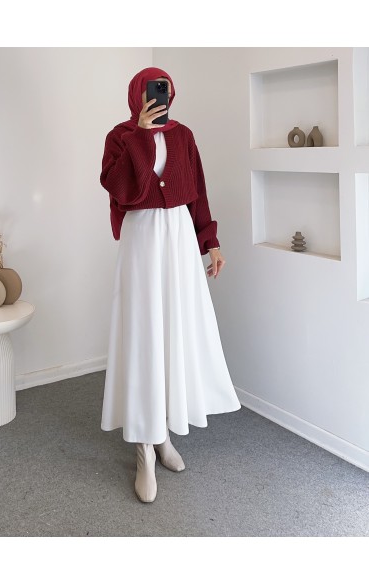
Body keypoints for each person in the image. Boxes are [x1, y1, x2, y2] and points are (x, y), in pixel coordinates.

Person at [100, 67, 241, 503]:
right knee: (144, 336)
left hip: (179, 239)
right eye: (150, 90)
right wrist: (142, 136)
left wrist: (210, 242)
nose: (158, 96)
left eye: (163, 90)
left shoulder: (184, 136)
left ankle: (162, 434)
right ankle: (144, 447)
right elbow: (121, 190)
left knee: (172, 333)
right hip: (142, 240)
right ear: (136, 95)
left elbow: (197, 192)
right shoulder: (120, 137)